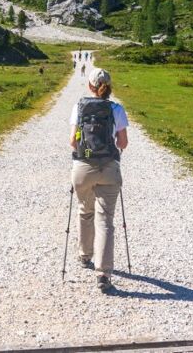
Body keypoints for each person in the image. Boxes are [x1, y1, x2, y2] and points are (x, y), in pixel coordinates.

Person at [69, 67, 129, 290]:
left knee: (85, 211)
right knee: (105, 220)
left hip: (83, 169)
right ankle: (103, 274)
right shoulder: (117, 109)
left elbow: (73, 143)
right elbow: (122, 143)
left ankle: (85, 255)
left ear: (90, 86)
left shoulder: (79, 107)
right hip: (109, 168)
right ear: (109, 87)